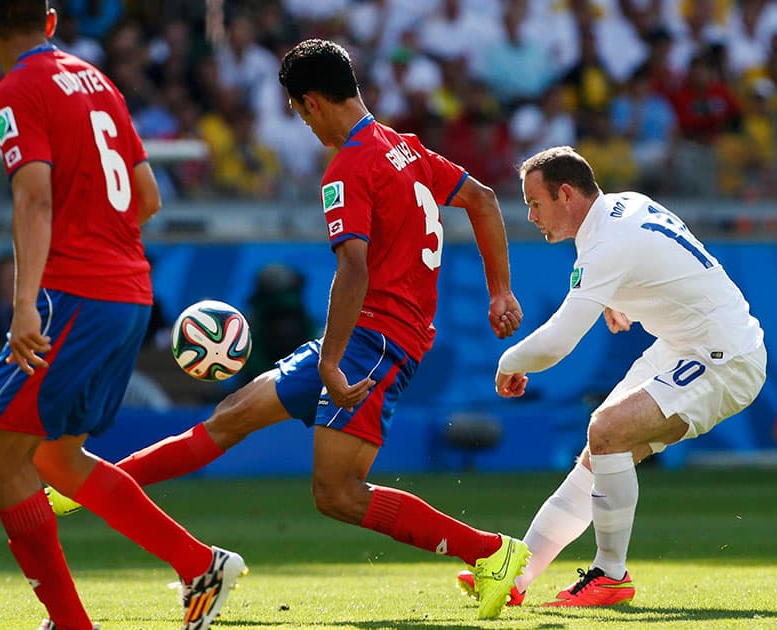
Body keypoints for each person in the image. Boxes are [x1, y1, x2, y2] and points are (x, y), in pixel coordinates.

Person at [47, 38, 530, 621]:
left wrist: (330, 362)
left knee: (337, 494)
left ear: (311, 103)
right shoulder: (405, 147)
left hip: (374, 344)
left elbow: (353, 267)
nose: (303, 124)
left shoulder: (350, 165)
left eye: (299, 113)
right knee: (229, 417)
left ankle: (492, 553)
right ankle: (88, 485)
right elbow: (480, 198)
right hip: (358, 339)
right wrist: (499, 289)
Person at [0, 3, 245, 630]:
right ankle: (198, 562)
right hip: (128, 290)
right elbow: (146, 196)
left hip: (72, 295)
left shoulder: (15, 91)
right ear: (49, 19)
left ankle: (71, 623)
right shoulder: (99, 81)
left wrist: (22, 303)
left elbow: (33, 195)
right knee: (57, 459)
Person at [457, 146, 766, 607]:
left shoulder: (606, 244)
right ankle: (515, 579)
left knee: (606, 431)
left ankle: (611, 575)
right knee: (597, 454)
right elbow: (667, 263)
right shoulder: (624, 207)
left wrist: (508, 363)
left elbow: (557, 342)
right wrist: (617, 296)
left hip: (723, 355)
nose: (530, 215)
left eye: (535, 203)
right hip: (685, 345)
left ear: (566, 194)